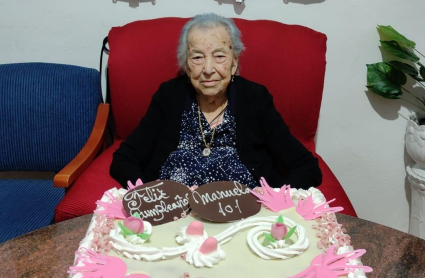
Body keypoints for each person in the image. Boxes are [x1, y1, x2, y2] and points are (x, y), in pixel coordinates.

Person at [110, 13, 322, 190]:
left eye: (219, 56)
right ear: (186, 64)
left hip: (243, 220)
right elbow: (124, 160)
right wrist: (149, 197)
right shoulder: (169, 96)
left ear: (234, 62)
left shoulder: (255, 98)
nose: (208, 69)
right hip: (172, 219)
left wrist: (275, 204)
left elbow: (306, 166)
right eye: (197, 57)